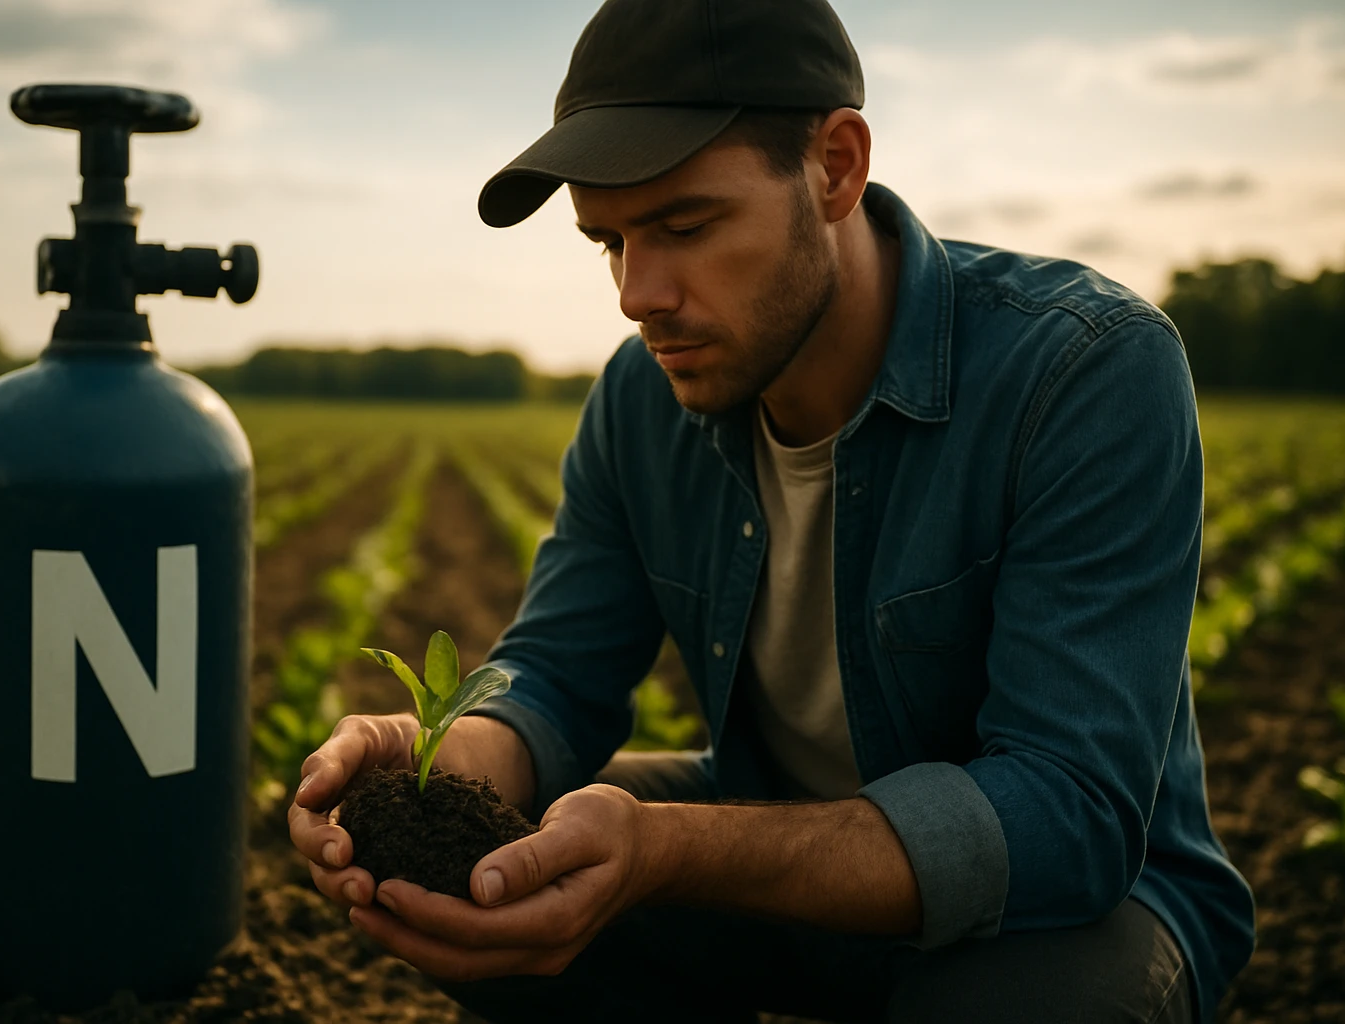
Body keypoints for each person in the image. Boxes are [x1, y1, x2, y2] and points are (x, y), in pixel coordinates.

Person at [289, 0, 1256, 1020]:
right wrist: (440, 770)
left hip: (1078, 908)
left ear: (835, 166)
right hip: (786, 854)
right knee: (467, 880)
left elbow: (1071, 815)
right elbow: (559, 674)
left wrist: (668, 848)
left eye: (685, 226)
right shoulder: (640, 397)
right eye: (608, 240)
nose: (636, 293)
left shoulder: (1082, 369)